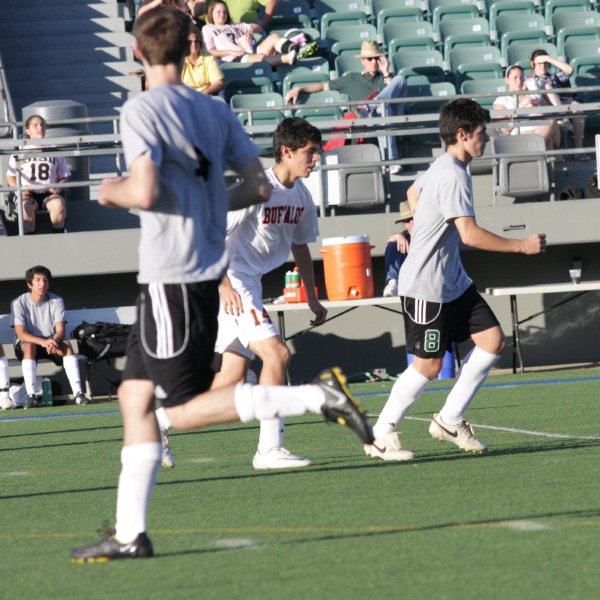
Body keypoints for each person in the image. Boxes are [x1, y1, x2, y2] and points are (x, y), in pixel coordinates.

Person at [69, 8, 372, 563]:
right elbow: (257, 186)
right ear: (192, 49)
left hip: (173, 274)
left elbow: (144, 188)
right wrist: (202, 200)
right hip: (201, 274)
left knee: (181, 410)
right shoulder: (214, 111)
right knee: (134, 396)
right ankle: (130, 534)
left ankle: (316, 397)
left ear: (138, 53)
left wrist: (110, 190)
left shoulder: (142, 108)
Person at [363, 98, 546, 461]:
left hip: (453, 283)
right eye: (481, 133)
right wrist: (522, 247)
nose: (487, 139)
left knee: (493, 341)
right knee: (427, 366)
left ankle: (449, 418)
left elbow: (414, 192)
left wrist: (424, 221)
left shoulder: (443, 167)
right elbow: (470, 235)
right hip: (425, 287)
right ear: (461, 135)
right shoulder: (452, 174)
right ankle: (381, 433)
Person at [157, 117, 328, 470]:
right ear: (286, 151)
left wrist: (312, 296)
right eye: (310, 153)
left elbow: (301, 247)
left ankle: (157, 423)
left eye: (317, 152)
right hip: (232, 281)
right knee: (278, 355)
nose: (316, 159)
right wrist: (223, 285)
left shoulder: (302, 194)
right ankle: (268, 449)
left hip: (250, 282)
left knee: (230, 382)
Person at [284, 41, 409, 173]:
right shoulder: (352, 79)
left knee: (399, 80)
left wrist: (386, 73)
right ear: (363, 61)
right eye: (369, 59)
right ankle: (391, 162)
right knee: (384, 111)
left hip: (388, 116)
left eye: (377, 58)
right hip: (366, 122)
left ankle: (372, 105)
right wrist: (300, 88)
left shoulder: (385, 79)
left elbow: (396, 97)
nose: (373, 62)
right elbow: (324, 86)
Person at [12, 265, 90, 407]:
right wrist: (43, 342)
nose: (42, 284)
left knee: (66, 345)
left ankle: (78, 394)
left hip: (51, 343)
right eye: (38, 280)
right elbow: (21, 334)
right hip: (29, 344)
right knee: (29, 346)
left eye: (45, 280)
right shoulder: (18, 303)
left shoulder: (57, 301)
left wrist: (52, 341)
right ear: (29, 284)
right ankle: (31, 396)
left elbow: (60, 330)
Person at [5, 115, 71, 234]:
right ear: (28, 131)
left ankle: (58, 238)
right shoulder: (20, 150)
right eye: (35, 125)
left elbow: (64, 176)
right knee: (26, 207)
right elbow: (10, 177)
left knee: (58, 204)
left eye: (42, 124)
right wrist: (19, 190)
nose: (40, 127)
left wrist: (58, 187)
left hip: (49, 193)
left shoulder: (54, 150)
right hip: (28, 194)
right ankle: (30, 244)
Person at [202, 0, 297, 67]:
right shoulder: (208, 28)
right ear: (211, 13)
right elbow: (210, 51)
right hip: (235, 59)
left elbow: (258, 28)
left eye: (224, 12)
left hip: (249, 51)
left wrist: (251, 30)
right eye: (218, 12)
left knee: (273, 36)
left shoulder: (234, 25)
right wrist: (231, 52)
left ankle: (295, 48)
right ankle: (286, 58)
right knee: (259, 57)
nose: (222, 14)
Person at [526, 49, 585, 148]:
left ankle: (579, 150)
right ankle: (562, 117)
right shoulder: (529, 80)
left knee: (578, 107)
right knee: (545, 86)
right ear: (533, 64)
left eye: (545, 63)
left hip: (560, 104)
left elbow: (570, 70)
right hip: (543, 107)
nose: (543, 66)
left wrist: (548, 58)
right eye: (539, 63)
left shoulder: (554, 77)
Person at [493, 65, 561, 150]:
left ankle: (534, 149)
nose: (519, 81)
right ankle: (536, 150)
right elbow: (505, 128)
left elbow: (547, 115)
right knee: (548, 141)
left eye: (521, 78)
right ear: (507, 80)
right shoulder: (501, 100)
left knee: (551, 121)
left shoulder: (533, 96)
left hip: (540, 131)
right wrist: (522, 106)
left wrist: (538, 105)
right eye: (515, 78)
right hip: (520, 135)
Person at [383, 200, 414, 297]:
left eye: (413, 218)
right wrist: (397, 236)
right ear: (404, 224)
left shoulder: (430, 233)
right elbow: (389, 241)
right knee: (393, 245)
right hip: (409, 277)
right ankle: (393, 282)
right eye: (407, 220)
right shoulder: (405, 236)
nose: (412, 223)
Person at [181, 25, 224, 95]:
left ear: (200, 43)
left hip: (206, 94)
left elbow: (218, 82)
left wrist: (204, 93)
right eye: (190, 42)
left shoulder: (208, 56)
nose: (193, 44)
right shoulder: (178, 58)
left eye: (196, 41)